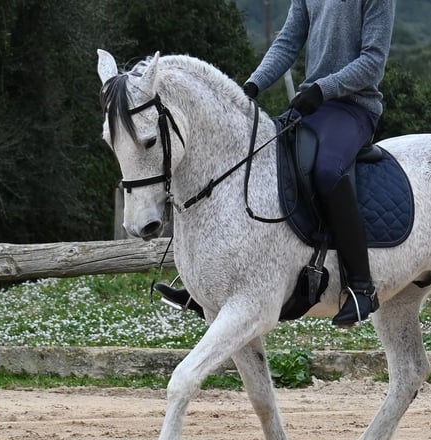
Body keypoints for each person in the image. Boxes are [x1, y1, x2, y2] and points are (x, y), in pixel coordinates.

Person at [156, 0, 396, 327]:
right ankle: (208, 285)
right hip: (314, 108)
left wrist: (323, 89)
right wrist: (250, 88)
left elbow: (373, 61)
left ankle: (361, 287)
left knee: (327, 171)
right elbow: (287, 43)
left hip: (354, 107)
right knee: (254, 158)